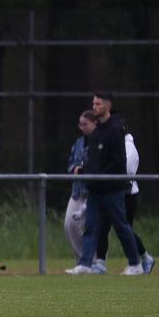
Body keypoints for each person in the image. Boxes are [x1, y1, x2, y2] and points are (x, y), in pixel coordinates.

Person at [66, 93, 144, 276]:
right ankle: (85, 263)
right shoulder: (97, 131)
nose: (94, 106)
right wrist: (88, 174)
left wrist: (101, 175)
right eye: (93, 103)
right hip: (96, 188)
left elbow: (118, 162)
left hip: (112, 189)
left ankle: (135, 263)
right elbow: (93, 160)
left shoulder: (115, 129)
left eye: (98, 104)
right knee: (91, 226)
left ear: (108, 106)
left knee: (121, 226)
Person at [92, 129, 155, 274]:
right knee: (103, 226)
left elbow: (124, 170)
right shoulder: (114, 146)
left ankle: (144, 258)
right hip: (110, 191)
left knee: (124, 228)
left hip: (127, 194)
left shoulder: (129, 148)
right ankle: (100, 263)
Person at [63, 110, 94, 260]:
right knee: (69, 225)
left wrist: (83, 169)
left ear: (94, 124)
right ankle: (81, 259)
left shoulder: (99, 141)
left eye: (85, 124)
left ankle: (94, 260)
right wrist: (75, 169)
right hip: (77, 191)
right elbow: (71, 164)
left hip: (92, 192)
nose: (82, 127)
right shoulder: (79, 142)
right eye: (80, 124)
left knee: (91, 227)